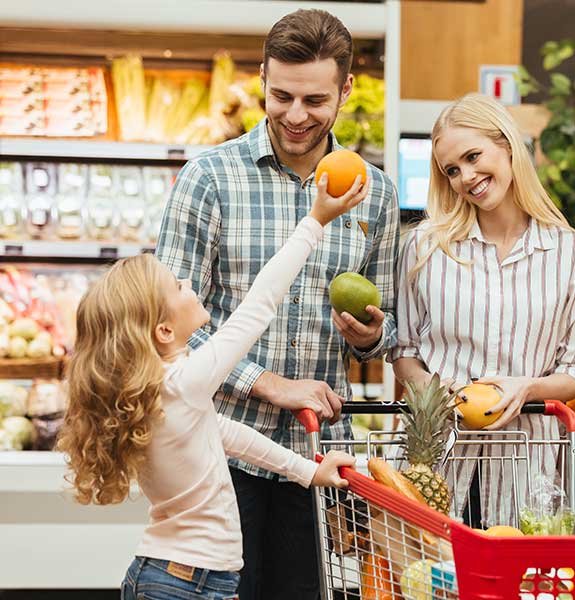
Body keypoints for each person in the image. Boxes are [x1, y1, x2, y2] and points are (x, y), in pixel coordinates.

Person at [155, 8, 399, 599]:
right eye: (280, 95)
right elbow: (161, 328)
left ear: (344, 90)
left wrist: (369, 337)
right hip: (213, 453)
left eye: (314, 100)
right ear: (262, 77)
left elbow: (388, 324)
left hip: (311, 458)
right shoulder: (209, 178)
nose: (295, 115)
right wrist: (264, 380)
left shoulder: (376, 192)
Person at [57, 173, 365, 599]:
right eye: (177, 286)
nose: (188, 284)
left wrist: (309, 472)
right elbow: (259, 305)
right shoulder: (182, 383)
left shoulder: (163, 391)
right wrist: (315, 220)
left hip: (175, 577)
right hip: (187, 584)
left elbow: (228, 435)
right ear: (164, 329)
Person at [389, 93, 575, 526]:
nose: (466, 177)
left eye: (472, 156)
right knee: (427, 587)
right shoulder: (425, 249)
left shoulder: (572, 253)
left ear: (506, 144)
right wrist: (434, 390)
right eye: (452, 170)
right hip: (438, 460)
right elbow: (404, 352)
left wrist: (526, 388)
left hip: (528, 467)